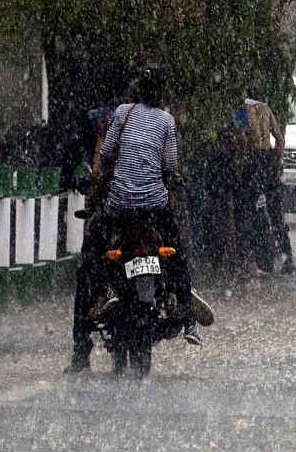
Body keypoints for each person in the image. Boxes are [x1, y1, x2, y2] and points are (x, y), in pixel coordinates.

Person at [64, 66, 201, 374]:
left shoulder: (123, 114)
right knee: (177, 254)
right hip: (154, 207)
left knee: (89, 266)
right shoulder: (166, 121)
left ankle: (80, 349)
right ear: (163, 92)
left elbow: (108, 153)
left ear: (138, 89)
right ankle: (188, 317)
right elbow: (171, 164)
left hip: (119, 207)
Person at [231, 97, 293, 276]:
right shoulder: (265, 108)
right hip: (268, 159)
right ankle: (286, 255)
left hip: (252, 160)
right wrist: (275, 161)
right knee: (275, 211)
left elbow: (242, 139)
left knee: (247, 213)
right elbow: (280, 139)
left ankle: (248, 261)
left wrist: (242, 165)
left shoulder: (242, 110)